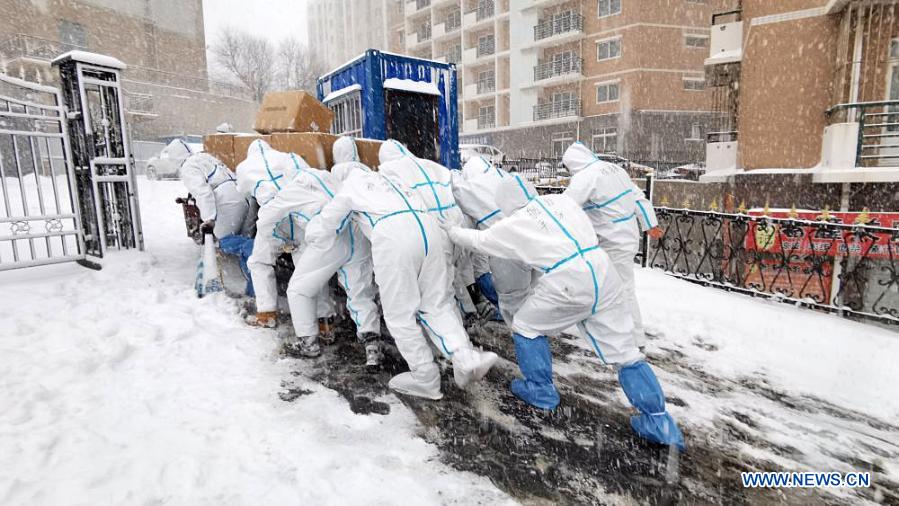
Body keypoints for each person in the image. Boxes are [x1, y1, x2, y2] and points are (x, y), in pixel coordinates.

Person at [442, 174, 684, 450]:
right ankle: (659, 422)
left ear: (505, 202)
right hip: (602, 270)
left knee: (526, 326)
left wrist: (452, 230)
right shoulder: (561, 201)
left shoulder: (515, 223)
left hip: (568, 280)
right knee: (626, 353)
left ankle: (540, 390)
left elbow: (480, 240)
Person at [304, 156, 498, 400]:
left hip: (394, 235)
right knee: (437, 304)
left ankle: (425, 377)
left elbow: (327, 222)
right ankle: (465, 356)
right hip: (429, 231)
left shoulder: (351, 185)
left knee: (400, 314)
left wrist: (310, 237)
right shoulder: (391, 180)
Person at [277, 136, 384, 365]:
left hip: (337, 235)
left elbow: (333, 212)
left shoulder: (333, 176)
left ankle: (308, 342)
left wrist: (314, 232)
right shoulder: (371, 175)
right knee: (360, 293)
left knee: (299, 288)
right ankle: (372, 345)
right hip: (362, 239)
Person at [562, 142, 662, 348]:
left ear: (571, 163)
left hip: (612, 240)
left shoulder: (585, 177)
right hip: (627, 236)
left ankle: (634, 339)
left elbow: (565, 207)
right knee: (605, 285)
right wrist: (649, 223)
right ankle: (609, 330)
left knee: (622, 289)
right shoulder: (614, 169)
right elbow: (638, 197)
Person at [377, 141, 481, 318]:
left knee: (440, 293)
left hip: (434, 232)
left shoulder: (390, 171)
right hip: (455, 225)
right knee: (451, 275)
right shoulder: (431, 166)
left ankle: (456, 327)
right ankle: (470, 314)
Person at [235, 139, 321, 328]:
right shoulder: (288, 157)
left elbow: (243, 192)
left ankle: (266, 314)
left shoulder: (243, 167)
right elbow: (308, 178)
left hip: (273, 217)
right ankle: (324, 320)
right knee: (310, 267)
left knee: (259, 262)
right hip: (299, 214)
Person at [173, 139, 255, 296]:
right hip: (240, 196)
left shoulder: (188, 167)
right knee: (240, 239)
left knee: (222, 241)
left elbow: (204, 192)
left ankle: (252, 255)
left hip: (227, 201)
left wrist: (209, 219)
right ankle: (254, 285)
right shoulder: (205, 157)